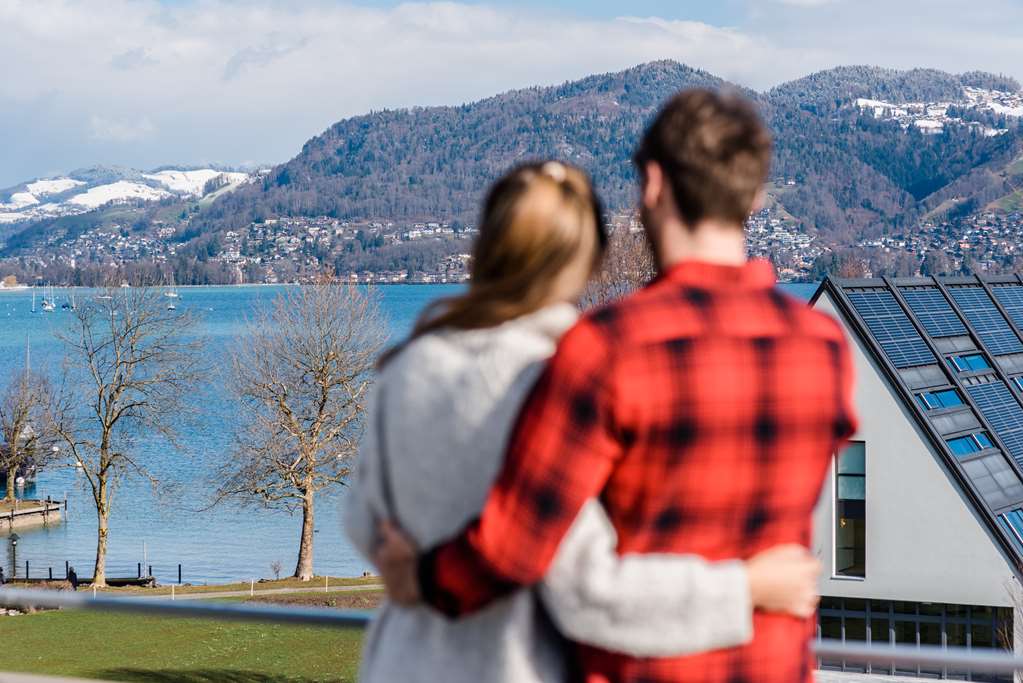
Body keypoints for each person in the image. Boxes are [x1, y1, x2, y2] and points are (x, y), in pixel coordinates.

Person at [375, 90, 858, 683]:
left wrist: (420, 578)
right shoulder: (823, 346)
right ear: (756, 195)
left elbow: (513, 546)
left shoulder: (609, 348)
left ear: (652, 185)